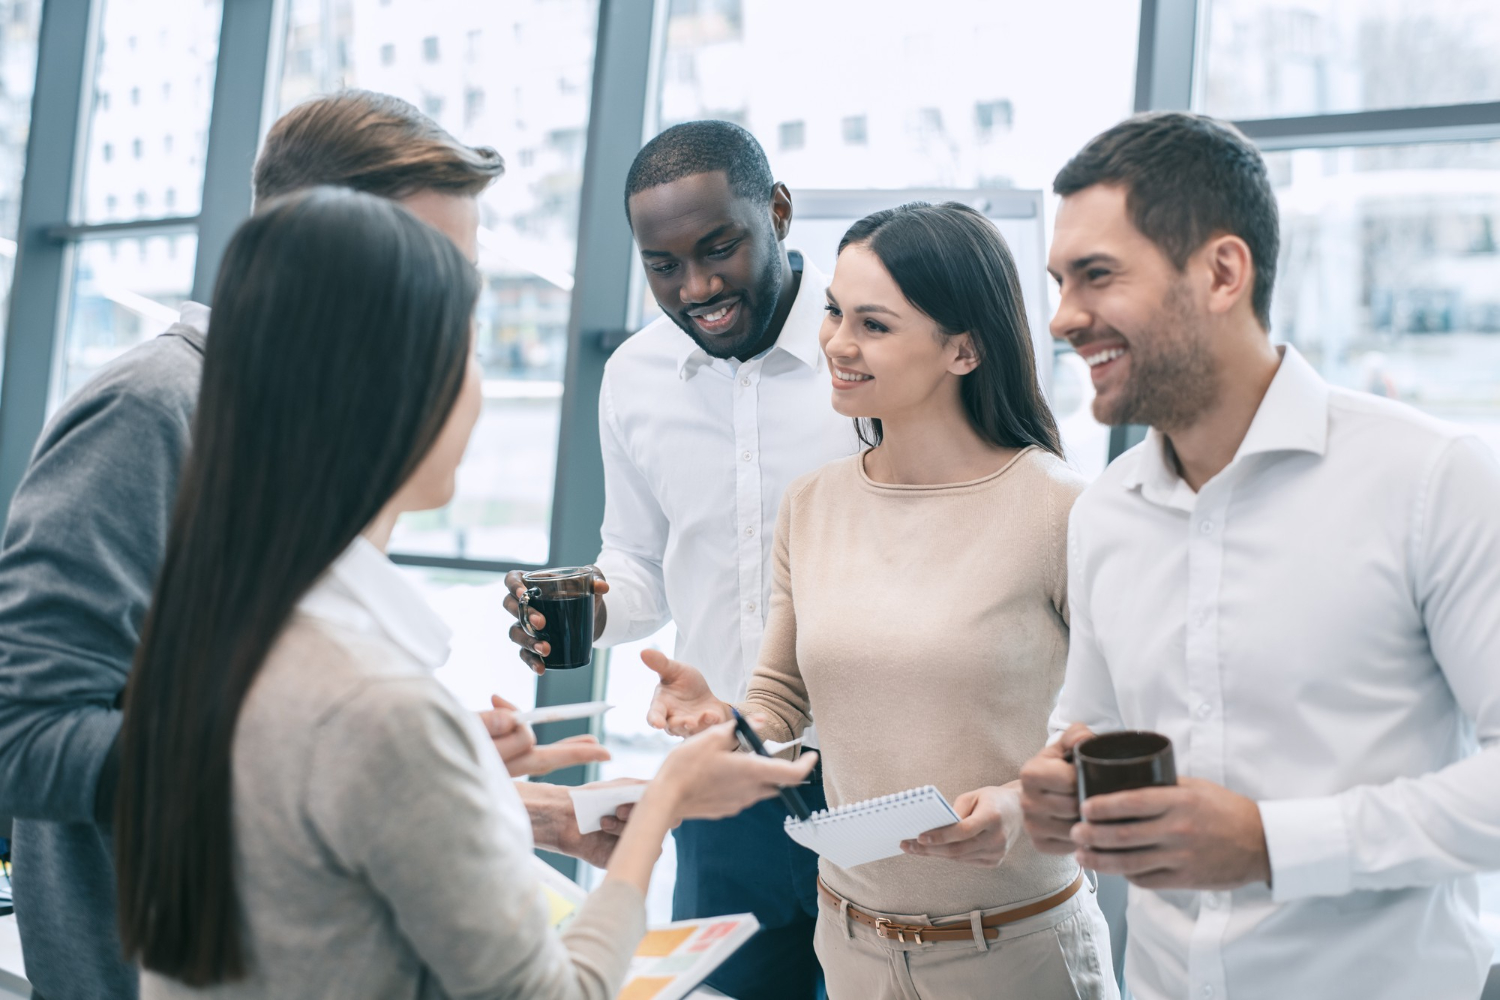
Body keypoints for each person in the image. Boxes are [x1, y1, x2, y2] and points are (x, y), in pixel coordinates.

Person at [111, 185, 817, 999]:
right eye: (469, 351)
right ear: (403, 395)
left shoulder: (221, 634)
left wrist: (481, 791)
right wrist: (662, 808)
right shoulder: (374, 702)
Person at [0, 91, 616, 1000]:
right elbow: (21, 730)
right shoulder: (157, 406)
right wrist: (342, 757)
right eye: (424, 279)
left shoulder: (311, 424)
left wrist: (402, 765)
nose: (439, 331)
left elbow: (260, 708)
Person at [1019, 111, 1500, 1000]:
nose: (1062, 318)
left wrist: (1275, 844)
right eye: (1058, 281)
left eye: (1096, 276)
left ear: (1221, 272)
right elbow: (1085, 722)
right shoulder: (1107, 514)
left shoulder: (1431, 478)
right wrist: (1057, 786)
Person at [644, 202, 1117, 999]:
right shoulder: (814, 504)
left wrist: (1017, 806)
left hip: (1016, 955)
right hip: (852, 949)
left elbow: (1123, 728)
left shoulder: (1062, 510)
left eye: (874, 324)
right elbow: (782, 694)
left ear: (963, 349)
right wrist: (723, 722)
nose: (835, 342)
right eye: (834, 311)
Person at [503, 120, 856, 1000]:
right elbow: (638, 566)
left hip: (877, 765)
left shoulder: (863, 351)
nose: (697, 288)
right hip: (724, 775)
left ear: (777, 212)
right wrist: (583, 606)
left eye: (719, 248)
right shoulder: (633, 377)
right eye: (663, 266)